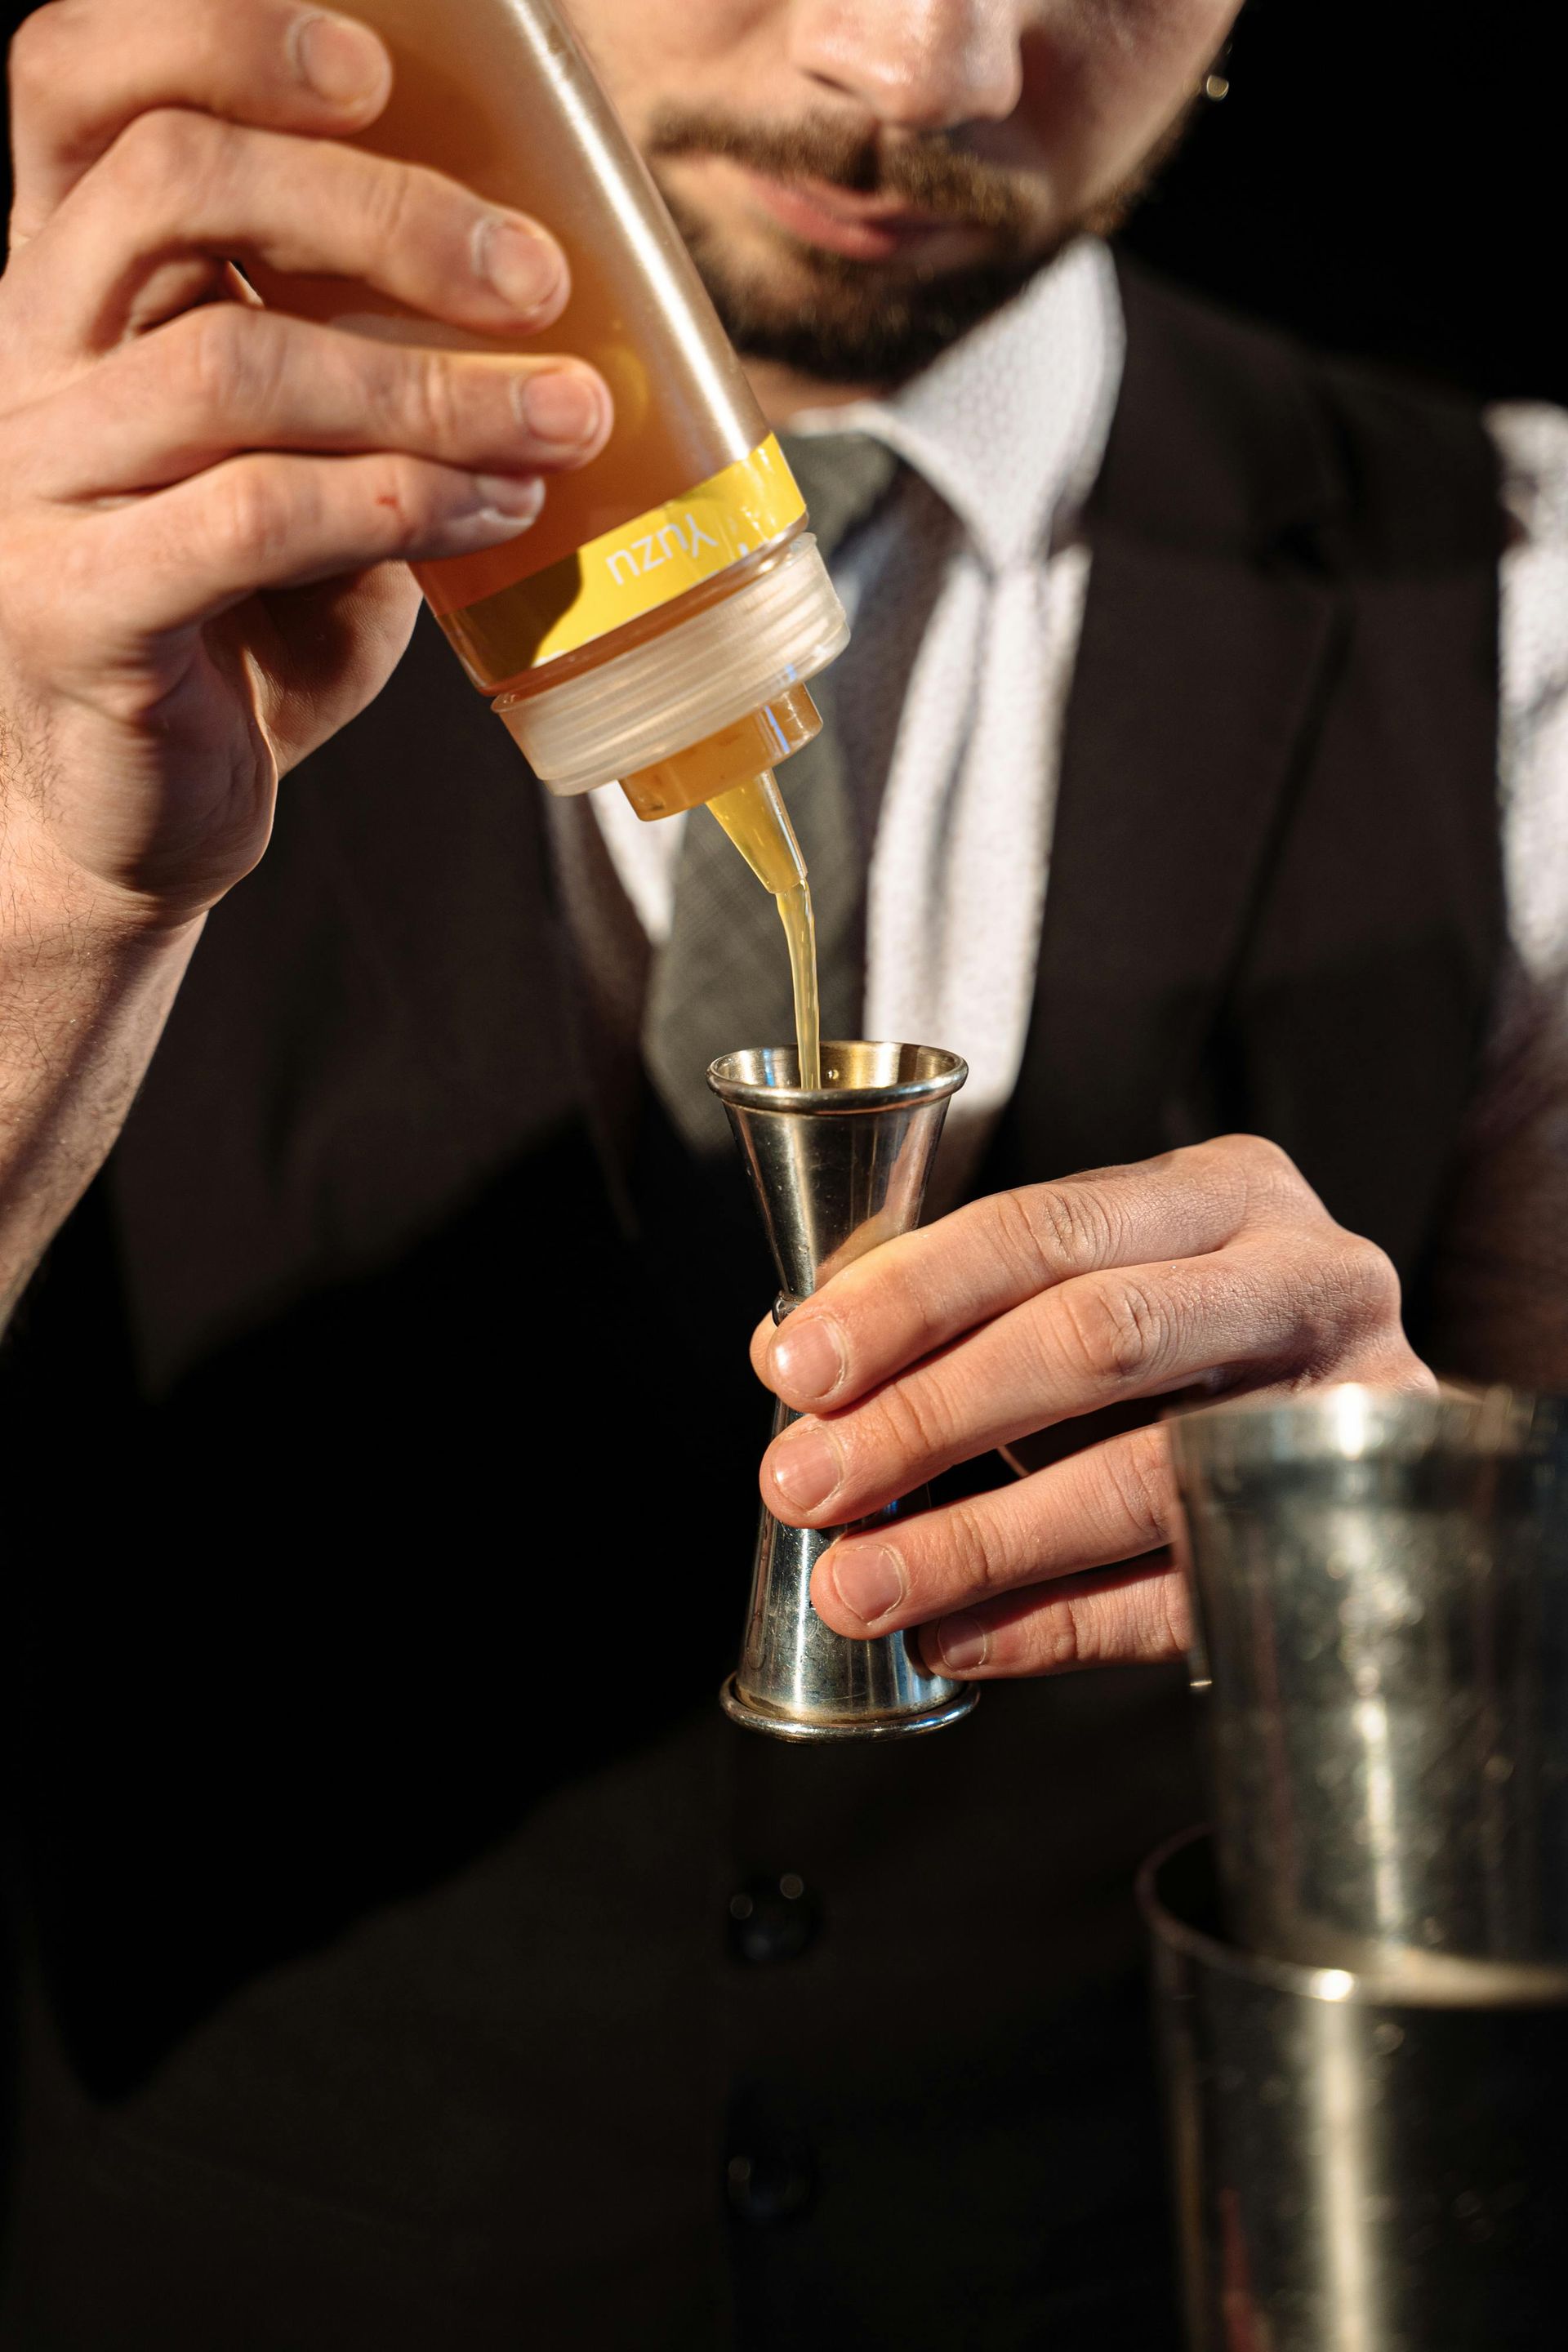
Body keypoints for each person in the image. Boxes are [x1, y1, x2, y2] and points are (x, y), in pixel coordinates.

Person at [0, 2, 1561, 2344]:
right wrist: (47, 905)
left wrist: (1440, 1552)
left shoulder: (1528, 587)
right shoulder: (41, 522)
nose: (916, 63)